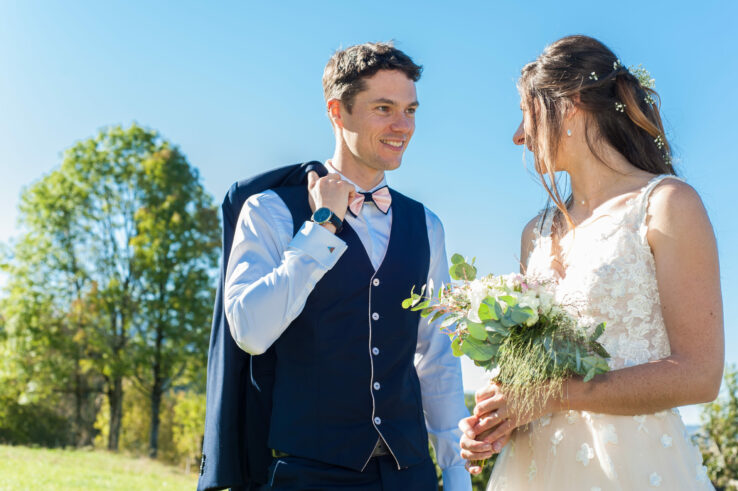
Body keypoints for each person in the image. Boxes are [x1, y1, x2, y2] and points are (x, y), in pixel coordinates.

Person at [459, 35, 723, 490]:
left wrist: (548, 397)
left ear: (572, 102)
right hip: (534, 470)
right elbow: (533, 379)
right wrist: (497, 419)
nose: (518, 136)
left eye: (526, 112)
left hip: (635, 467)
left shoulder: (665, 204)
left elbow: (701, 375)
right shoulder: (535, 233)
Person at [224, 42, 472, 490]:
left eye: (411, 110)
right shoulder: (271, 211)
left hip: (410, 473)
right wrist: (321, 228)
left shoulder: (426, 225)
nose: (403, 126)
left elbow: (438, 355)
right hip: (308, 472)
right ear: (338, 112)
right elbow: (250, 332)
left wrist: (455, 475)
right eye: (384, 108)